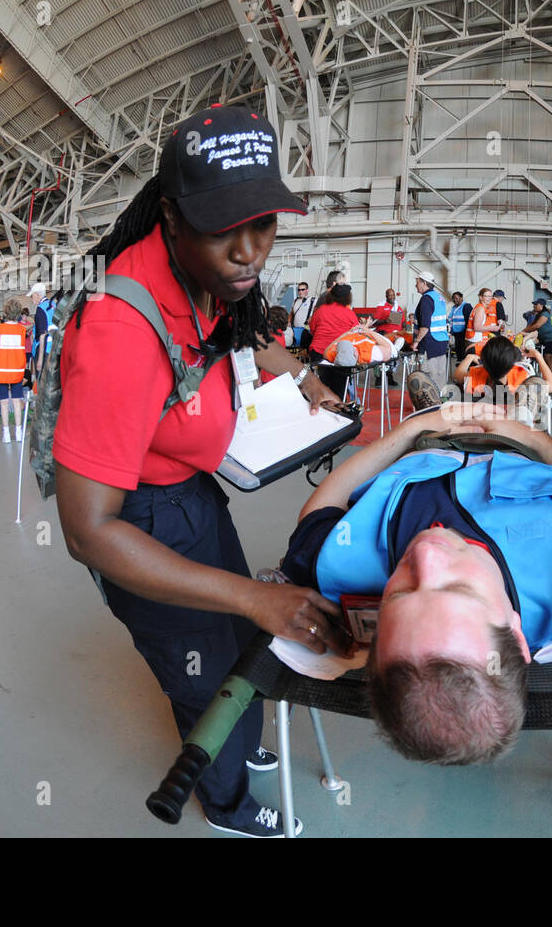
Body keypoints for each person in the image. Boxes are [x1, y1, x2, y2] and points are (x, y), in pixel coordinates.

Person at [52, 104, 347, 839]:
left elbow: (241, 340)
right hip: (137, 520)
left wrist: (301, 371)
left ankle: (237, 743)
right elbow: (89, 532)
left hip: (186, 493)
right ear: (172, 218)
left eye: (265, 224)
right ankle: (227, 799)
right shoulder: (121, 328)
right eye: (225, 229)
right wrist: (253, 597)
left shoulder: (205, 276)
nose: (249, 252)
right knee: (205, 667)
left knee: (229, 643)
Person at [275, 404, 552, 764]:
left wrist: (408, 431)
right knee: (516, 392)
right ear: (517, 635)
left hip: (422, 444)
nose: (426, 553)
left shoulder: (332, 568)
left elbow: (321, 511)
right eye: (459, 589)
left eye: (400, 593)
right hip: (513, 446)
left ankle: (434, 402)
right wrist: (535, 438)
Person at [308, 283, 361, 398]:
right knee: (339, 390)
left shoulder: (321, 310)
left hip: (319, 353)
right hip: (338, 354)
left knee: (322, 387)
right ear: (348, 297)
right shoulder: (349, 314)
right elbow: (355, 334)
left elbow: (312, 329)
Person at [0, 301, 30, 444]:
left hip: (1, 372)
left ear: (6, 313)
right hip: (16, 372)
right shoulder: (21, 330)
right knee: (17, 401)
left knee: (4, 404)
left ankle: (6, 434)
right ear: (18, 313)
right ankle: (19, 432)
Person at [411, 272, 450, 392]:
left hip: (429, 344)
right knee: (439, 377)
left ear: (424, 283)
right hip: (441, 342)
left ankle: (429, 406)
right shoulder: (438, 297)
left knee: (427, 379)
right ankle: (439, 403)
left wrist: (416, 342)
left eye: (417, 283)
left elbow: (425, 327)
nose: (415, 285)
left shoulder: (426, 300)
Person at [447, 291, 470, 365]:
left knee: (463, 348)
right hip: (456, 332)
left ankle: (463, 363)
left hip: (463, 332)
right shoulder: (454, 308)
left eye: (456, 298)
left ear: (461, 298)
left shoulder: (466, 306)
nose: (455, 300)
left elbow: (468, 320)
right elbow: (450, 319)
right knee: (457, 348)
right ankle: (459, 361)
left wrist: (467, 332)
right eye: (453, 299)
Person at [290, 281, 316, 346]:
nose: (300, 292)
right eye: (299, 290)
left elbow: (318, 313)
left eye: (303, 289)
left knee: (305, 349)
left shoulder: (313, 300)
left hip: (307, 330)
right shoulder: (295, 301)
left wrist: (311, 318)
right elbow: (291, 313)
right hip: (295, 330)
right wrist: (288, 322)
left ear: (307, 290)